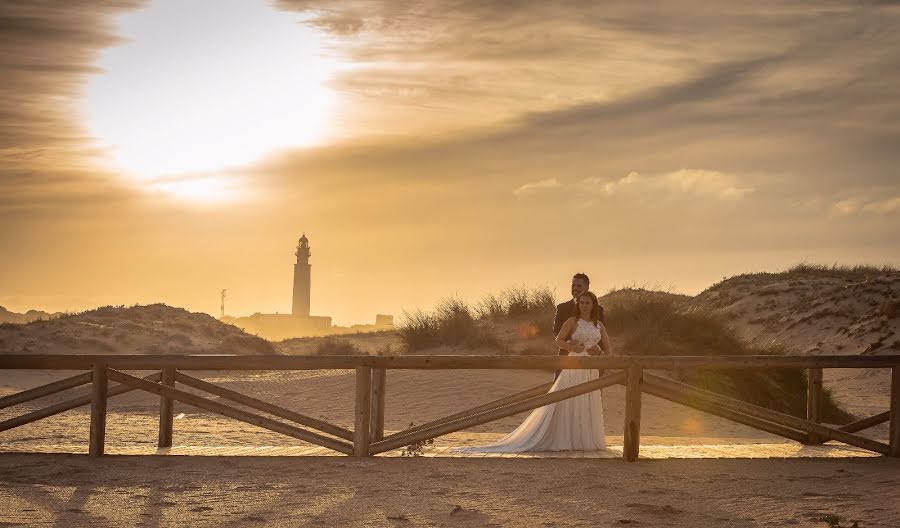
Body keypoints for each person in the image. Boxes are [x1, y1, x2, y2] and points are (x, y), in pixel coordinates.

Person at [457, 291, 611, 452]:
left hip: (591, 368)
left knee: (587, 401)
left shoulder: (599, 325)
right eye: (582, 302)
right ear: (578, 304)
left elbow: (608, 349)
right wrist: (572, 347)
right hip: (574, 365)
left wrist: (599, 350)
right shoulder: (572, 321)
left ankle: (584, 441)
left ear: (593, 305)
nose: (584, 306)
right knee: (568, 400)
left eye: (588, 303)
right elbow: (558, 341)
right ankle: (567, 439)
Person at [553, 273, 605, 378]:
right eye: (573, 285)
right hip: (567, 359)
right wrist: (570, 344)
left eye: (579, 286)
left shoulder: (599, 310)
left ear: (587, 288)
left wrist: (598, 348)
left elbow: (602, 335)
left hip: (592, 361)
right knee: (562, 393)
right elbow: (556, 331)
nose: (575, 288)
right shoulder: (562, 308)